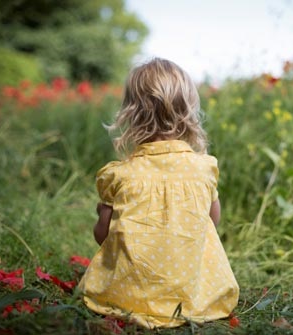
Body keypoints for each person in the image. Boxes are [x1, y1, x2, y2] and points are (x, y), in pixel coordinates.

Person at [78, 57, 239, 329]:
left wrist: (104, 215)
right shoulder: (204, 168)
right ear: (188, 111)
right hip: (194, 297)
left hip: (127, 298)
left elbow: (102, 235)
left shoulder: (118, 175)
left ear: (131, 113)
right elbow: (212, 221)